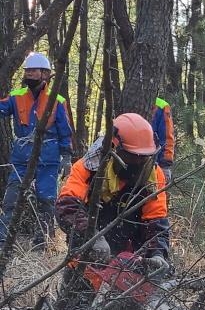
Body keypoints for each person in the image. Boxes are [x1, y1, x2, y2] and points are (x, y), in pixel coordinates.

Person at [56, 113, 170, 273]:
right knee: (78, 290)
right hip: (88, 249)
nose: (138, 162)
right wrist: (91, 236)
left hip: (131, 256)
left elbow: (156, 220)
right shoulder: (88, 168)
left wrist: (158, 253)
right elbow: (67, 206)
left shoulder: (154, 174)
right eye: (132, 156)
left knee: (133, 293)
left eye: (143, 158)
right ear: (113, 148)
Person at [0, 52, 73, 250]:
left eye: (33, 70)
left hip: (48, 159)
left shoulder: (56, 100)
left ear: (45, 74)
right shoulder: (16, 97)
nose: (29, 74)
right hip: (21, 158)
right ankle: (3, 243)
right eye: (27, 71)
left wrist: (67, 158)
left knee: (46, 201)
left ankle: (42, 244)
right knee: (11, 200)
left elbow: (65, 131)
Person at [152, 97, 174, 184]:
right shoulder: (124, 98)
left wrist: (165, 166)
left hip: (156, 165)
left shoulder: (161, 106)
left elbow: (167, 138)